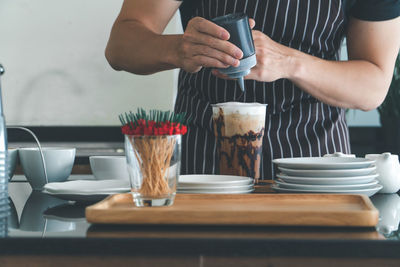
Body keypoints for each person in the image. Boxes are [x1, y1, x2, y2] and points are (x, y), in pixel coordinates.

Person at [105, 0, 400, 179]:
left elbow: (373, 85)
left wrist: (290, 63)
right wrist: (179, 48)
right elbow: (121, 45)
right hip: (205, 170)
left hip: (317, 171)